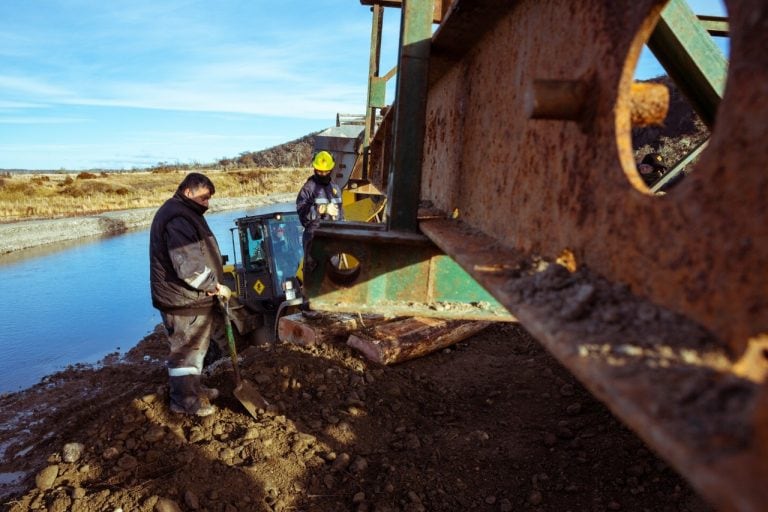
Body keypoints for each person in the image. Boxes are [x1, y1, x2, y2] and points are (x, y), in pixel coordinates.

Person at [149, 172, 232, 417]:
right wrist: (215, 286)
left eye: (209, 199)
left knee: (196, 351)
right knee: (186, 352)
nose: (207, 203)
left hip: (189, 298)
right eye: (204, 198)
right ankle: (184, 401)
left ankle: (194, 389)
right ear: (188, 192)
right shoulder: (178, 218)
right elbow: (188, 267)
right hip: (182, 299)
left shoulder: (183, 212)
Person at [296, 150, 344, 272]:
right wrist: (321, 209)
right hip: (314, 240)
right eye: (319, 171)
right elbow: (303, 215)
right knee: (316, 278)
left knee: (333, 277)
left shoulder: (335, 189)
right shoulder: (308, 189)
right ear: (314, 169)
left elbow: (341, 214)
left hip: (333, 240)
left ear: (331, 170)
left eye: (326, 171)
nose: (322, 173)